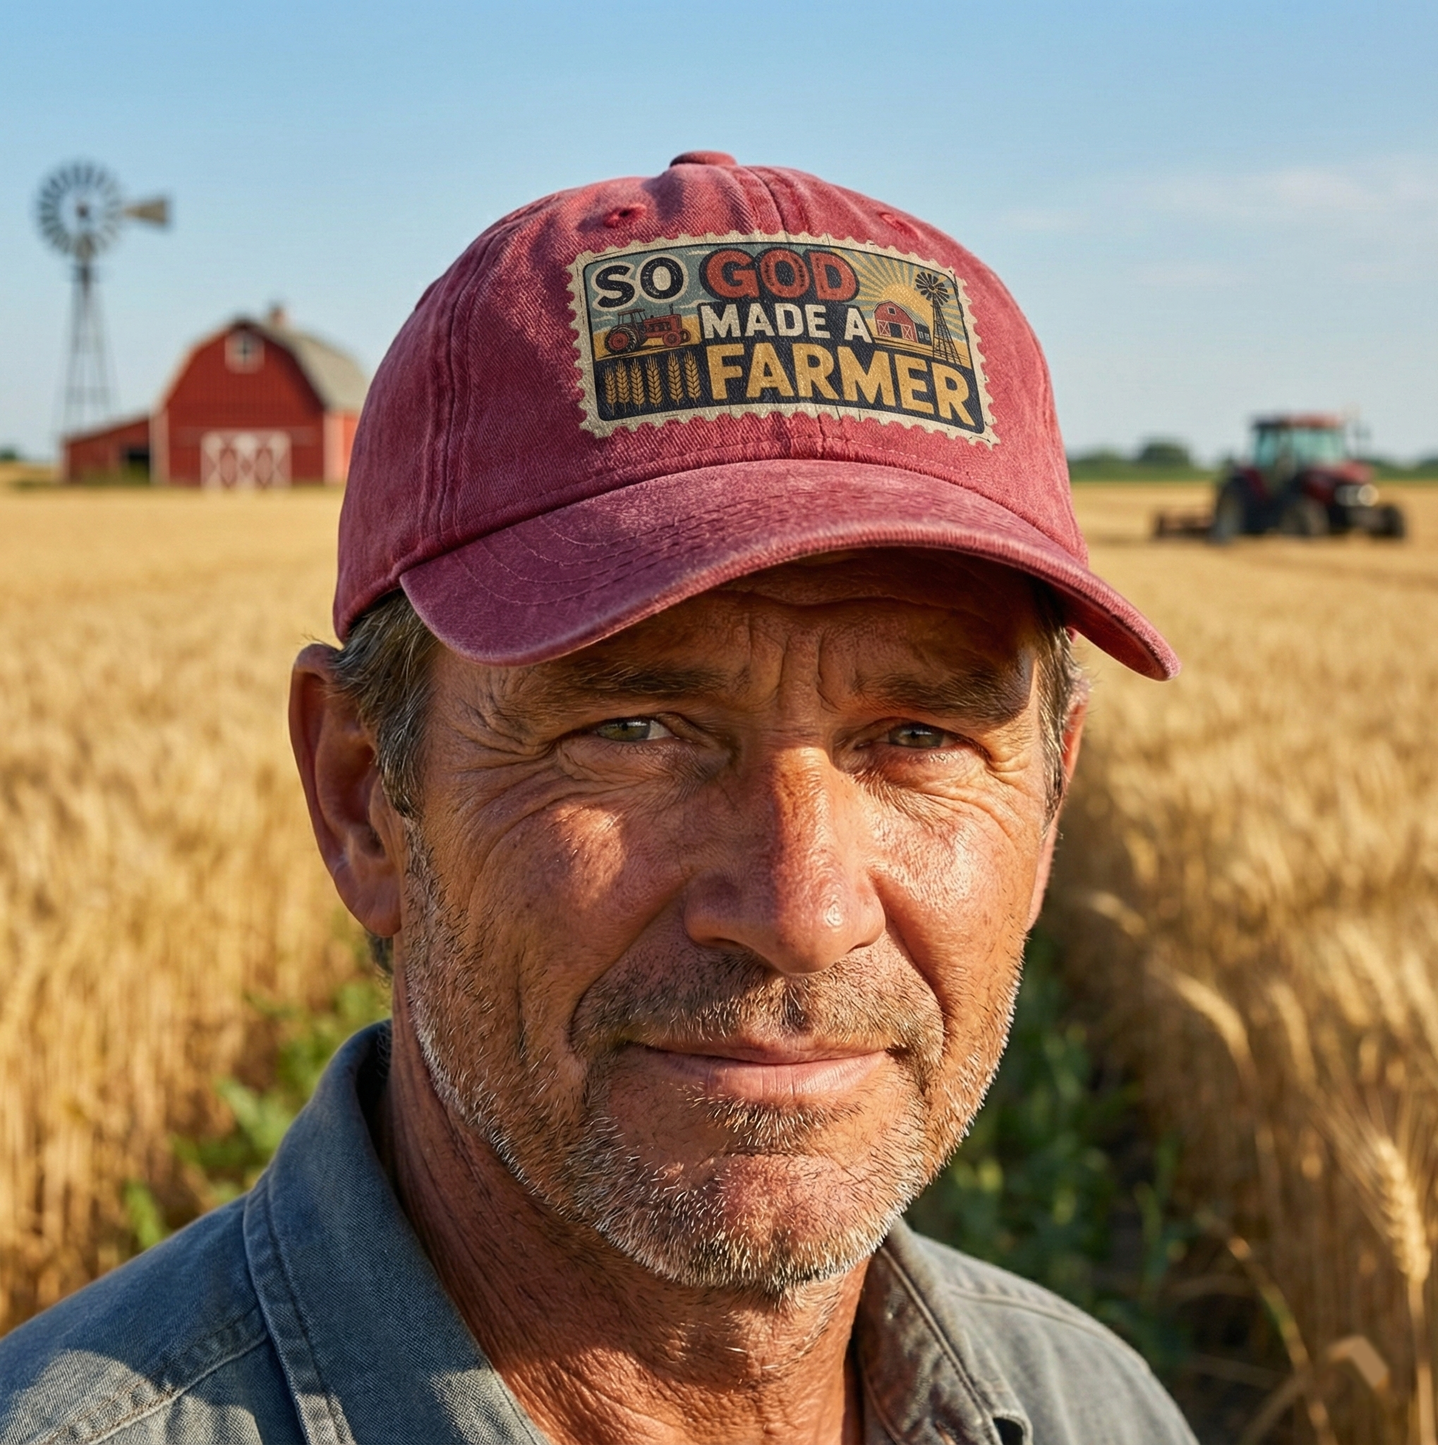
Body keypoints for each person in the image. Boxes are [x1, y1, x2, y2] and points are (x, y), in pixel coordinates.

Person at [0, 152, 1194, 1444]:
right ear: (362, 796)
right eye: (633, 732)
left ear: (1051, 807)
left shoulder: (1097, 1409)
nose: (802, 912)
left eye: (919, 737)